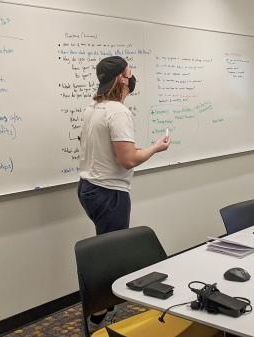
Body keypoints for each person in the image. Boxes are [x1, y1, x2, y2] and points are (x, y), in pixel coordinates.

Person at [77, 56, 170, 331]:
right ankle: (99, 318)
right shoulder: (118, 112)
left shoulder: (93, 108)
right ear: (121, 79)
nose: (132, 78)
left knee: (104, 248)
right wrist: (154, 148)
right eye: (129, 74)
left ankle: (104, 310)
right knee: (111, 257)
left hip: (88, 189)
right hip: (109, 194)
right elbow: (128, 160)